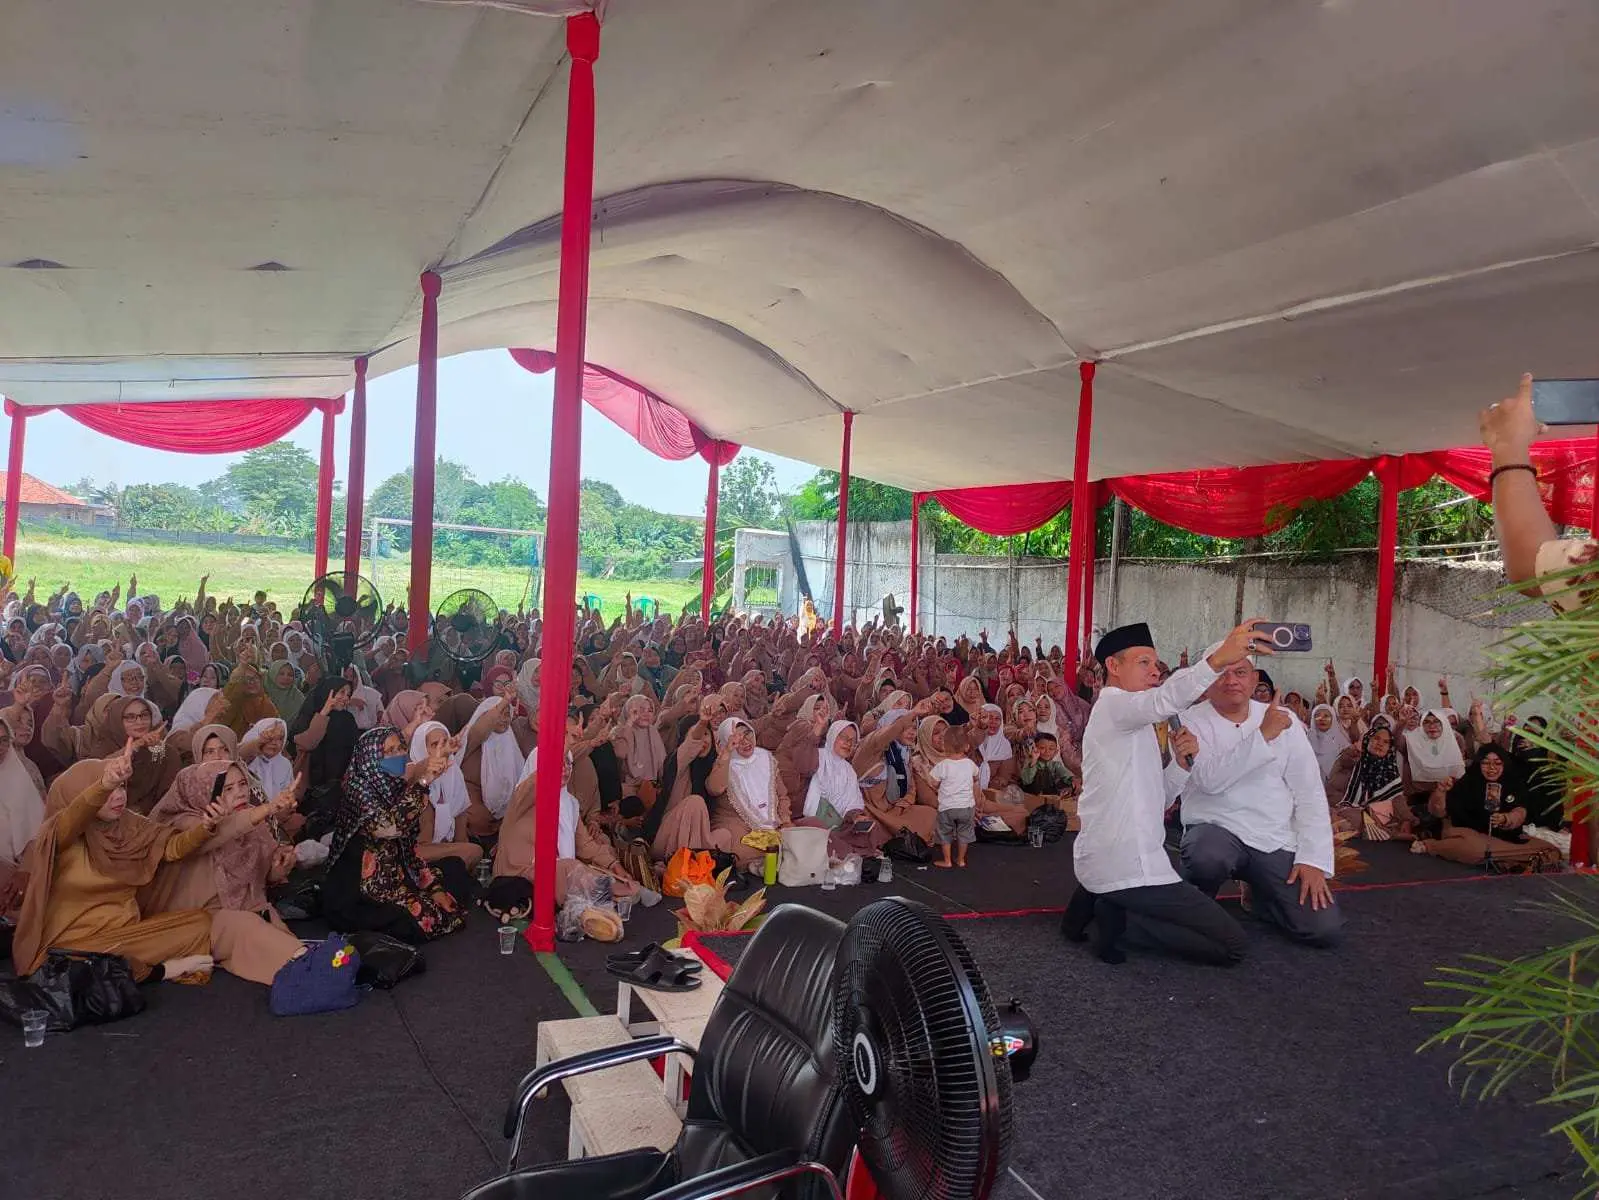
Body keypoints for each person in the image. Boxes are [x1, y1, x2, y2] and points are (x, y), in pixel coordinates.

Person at [1062, 619, 1270, 966]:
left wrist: (1180, 765)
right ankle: (1118, 920)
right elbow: (1166, 700)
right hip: (1132, 866)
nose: (1155, 670)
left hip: (1113, 857)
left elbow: (1157, 798)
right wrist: (1219, 659)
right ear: (1113, 667)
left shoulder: (1133, 718)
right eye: (1143, 662)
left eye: (1155, 663)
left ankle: (1097, 905)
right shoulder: (1117, 706)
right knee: (1235, 946)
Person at [11, 740, 217, 983]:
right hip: (71, 949)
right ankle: (158, 971)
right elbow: (76, 815)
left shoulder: (128, 824)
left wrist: (205, 828)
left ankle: (129, 970)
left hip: (124, 936)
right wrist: (104, 784)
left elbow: (172, 848)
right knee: (76, 962)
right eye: (110, 791)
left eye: (122, 788)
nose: (119, 796)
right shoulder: (60, 837)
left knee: (199, 923)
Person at [1171, 661, 1342, 948]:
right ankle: (1195, 904)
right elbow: (1210, 781)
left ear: (1253, 680)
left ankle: (1262, 894)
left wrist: (1312, 859)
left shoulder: (1283, 718)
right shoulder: (1190, 721)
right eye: (1221, 674)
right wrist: (1262, 735)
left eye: (1240, 673)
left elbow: (1308, 791)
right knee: (1207, 857)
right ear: (1207, 682)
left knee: (1324, 930)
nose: (1231, 681)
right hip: (1216, 831)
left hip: (1271, 837)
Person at [321, 727, 468, 943]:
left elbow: (408, 847)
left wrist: (433, 888)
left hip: (396, 872)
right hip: (362, 889)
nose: (398, 755)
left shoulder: (393, 784)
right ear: (372, 757)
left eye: (400, 748)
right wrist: (423, 783)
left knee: (454, 869)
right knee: (412, 920)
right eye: (389, 751)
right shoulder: (358, 786)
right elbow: (389, 828)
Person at [1411, 745, 1562, 871]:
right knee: (1474, 849)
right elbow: (1437, 811)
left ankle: (1503, 859)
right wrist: (1440, 792)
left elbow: (1520, 812)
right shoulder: (1467, 783)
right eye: (1485, 763)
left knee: (1551, 850)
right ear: (1478, 764)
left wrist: (1506, 819)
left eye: (1497, 763)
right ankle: (1433, 846)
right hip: (1464, 833)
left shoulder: (1513, 784)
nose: (1491, 768)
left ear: (1504, 764)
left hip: (1503, 837)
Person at [925, 725, 979, 869]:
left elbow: (933, 782)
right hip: (967, 807)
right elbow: (976, 777)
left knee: (945, 833)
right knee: (964, 833)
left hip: (947, 807)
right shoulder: (970, 763)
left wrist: (936, 785)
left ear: (944, 745)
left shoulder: (943, 765)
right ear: (967, 746)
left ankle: (947, 860)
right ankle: (961, 860)